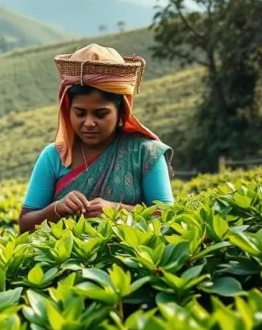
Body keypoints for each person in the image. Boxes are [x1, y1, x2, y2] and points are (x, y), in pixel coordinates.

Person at [19, 44, 174, 233]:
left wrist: (118, 210)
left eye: (100, 114)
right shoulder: (54, 156)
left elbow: (168, 216)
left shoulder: (146, 153)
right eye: (80, 113)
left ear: (121, 112)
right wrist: (56, 209)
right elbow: (25, 226)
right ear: (68, 111)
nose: (89, 123)